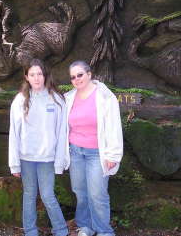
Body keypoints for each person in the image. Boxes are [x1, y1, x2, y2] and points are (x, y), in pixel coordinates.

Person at [9, 58, 69, 236]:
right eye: (32, 74)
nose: (36, 78)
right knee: (29, 195)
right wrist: (14, 164)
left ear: (45, 75)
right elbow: (14, 133)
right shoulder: (20, 100)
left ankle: (61, 231)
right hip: (26, 158)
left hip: (47, 159)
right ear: (26, 77)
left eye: (40, 74)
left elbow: (62, 133)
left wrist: (60, 162)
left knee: (48, 196)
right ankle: (30, 231)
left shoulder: (57, 100)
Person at [64, 61, 123, 236]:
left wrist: (113, 155)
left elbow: (114, 126)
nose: (76, 79)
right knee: (80, 192)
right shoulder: (69, 98)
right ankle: (86, 227)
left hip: (97, 153)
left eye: (80, 74)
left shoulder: (105, 96)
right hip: (75, 152)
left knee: (97, 194)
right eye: (73, 77)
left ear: (89, 74)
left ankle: (104, 231)